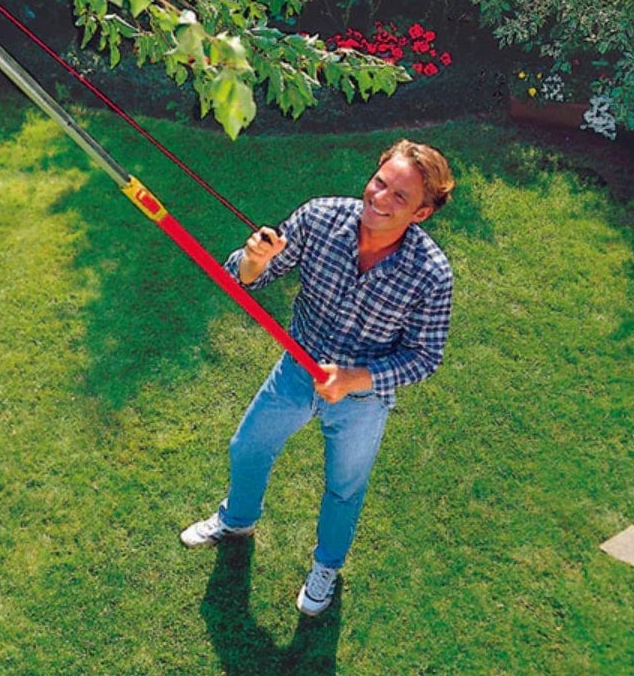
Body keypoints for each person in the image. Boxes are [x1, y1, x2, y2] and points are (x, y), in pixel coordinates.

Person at [180, 139, 455, 617]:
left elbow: (424, 357)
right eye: (379, 183)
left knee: (345, 487)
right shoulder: (321, 217)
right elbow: (246, 277)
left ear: (422, 213)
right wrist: (254, 261)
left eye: (399, 198)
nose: (379, 199)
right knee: (248, 447)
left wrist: (355, 379)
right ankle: (237, 519)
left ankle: (326, 566)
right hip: (296, 366)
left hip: (361, 398)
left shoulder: (431, 274)